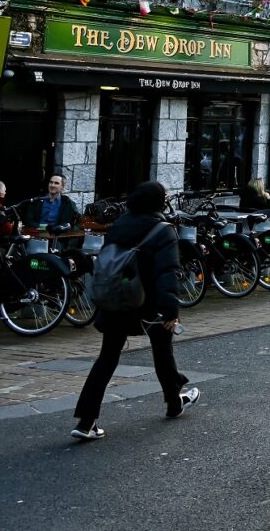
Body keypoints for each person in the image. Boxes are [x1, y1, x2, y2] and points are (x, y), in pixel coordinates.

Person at [70, 180, 197, 441]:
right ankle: (174, 403)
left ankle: (86, 420)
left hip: (117, 300)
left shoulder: (118, 226)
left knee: (107, 358)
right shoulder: (163, 230)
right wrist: (171, 311)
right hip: (149, 304)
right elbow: (167, 273)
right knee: (162, 352)